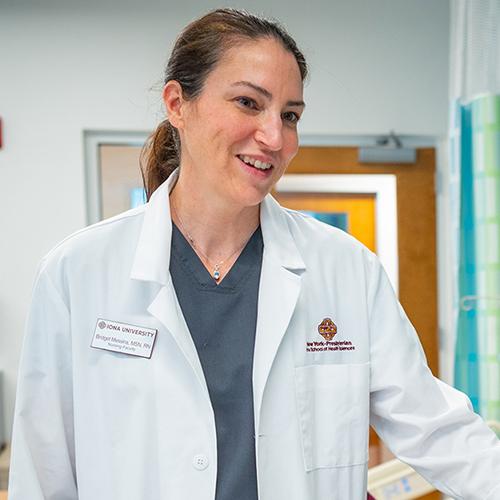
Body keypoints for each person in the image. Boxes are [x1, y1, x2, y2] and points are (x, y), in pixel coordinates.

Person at [7, 8, 500, 500]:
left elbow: (437, 430)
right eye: (248, 102)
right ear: (178, 104)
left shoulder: (346, 270)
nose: (276, 137)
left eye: (290, 115)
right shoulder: (77, 273)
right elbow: (43, 474)